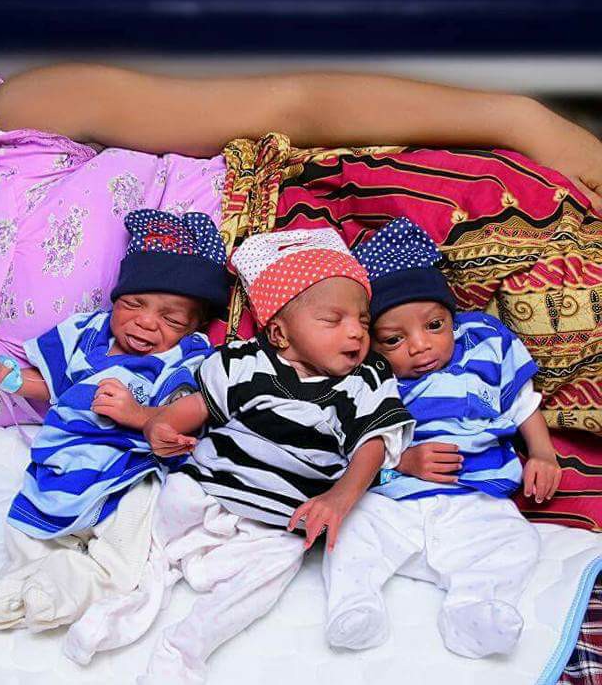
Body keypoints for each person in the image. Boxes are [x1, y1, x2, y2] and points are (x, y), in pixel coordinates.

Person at [0, 59, 602, 519]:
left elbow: (281, 106)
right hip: (311, 392)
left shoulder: (12, 128)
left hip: (346, 236)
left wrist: (516, 119)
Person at [63, 229, 414, 683]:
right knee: (150, 531)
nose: (355, 332)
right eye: (333, 320)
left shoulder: (365, 379)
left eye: (363, 322)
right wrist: (158, 425)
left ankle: (186, 647)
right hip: (204, 486)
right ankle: (126, 604)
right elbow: (196, 408)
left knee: (270, 573)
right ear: (280, 334)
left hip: (277, 518)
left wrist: (339, 498)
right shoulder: (245, 360)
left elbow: (373, 445)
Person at [0, 209, 227, 632]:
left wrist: (138, 414)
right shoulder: (86, 333)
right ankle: (22, 577)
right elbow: (51, 386)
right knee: (26, 526)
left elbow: (185, 413)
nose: (146, 321)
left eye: (171, 319)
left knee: (125, 551)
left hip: (127, 470)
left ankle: (73, 584)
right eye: (134, 304)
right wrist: (4, 377)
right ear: (115, 299)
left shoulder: (187, 355)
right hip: (61, 459)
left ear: (193, 326)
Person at [322, 217, 561, 659]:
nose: (420, 346)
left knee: (517, 541)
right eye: (394, 339)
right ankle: (354, 604)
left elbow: (521, 401)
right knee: (351, 530)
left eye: (434, 325)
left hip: (474, 495)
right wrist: (403, 460)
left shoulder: (483, 340)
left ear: (452, 316)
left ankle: (473, 607)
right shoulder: (366, 374)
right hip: (394, 499)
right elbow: (347, 439)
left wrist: (542, 453)